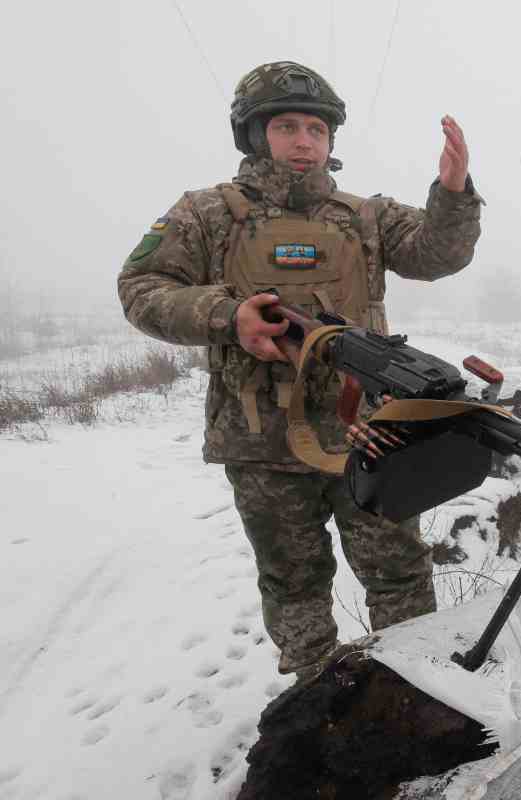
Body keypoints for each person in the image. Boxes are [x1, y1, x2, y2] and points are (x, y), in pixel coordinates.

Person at [118, 61, 483, 677]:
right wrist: (228, 316)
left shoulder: (363, 216)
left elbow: (437, 254)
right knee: (293, 581)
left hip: (369, 435)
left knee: (398, 572)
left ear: (331, 140)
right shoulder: (207, 214)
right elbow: (140, 287)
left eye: (316, 128)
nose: (303, 141)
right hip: (260, 442)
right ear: (255, 136)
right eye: (285, 126)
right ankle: (319, 697)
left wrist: (451, 193)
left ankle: (422, 686)